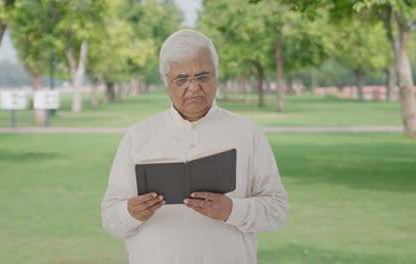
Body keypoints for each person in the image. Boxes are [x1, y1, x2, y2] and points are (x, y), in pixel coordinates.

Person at [101, 29, 288, 264]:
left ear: (216, 75)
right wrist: (130, 212)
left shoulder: (247, 133)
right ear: (166, 82)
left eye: (202, 77)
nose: (193, 88)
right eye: (181, 80)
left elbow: (277, 210)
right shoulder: (137, 137)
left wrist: (233, 210)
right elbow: (110, 219)